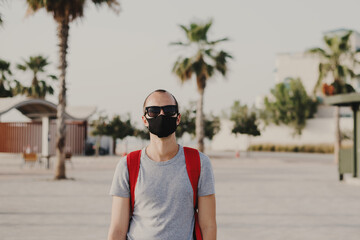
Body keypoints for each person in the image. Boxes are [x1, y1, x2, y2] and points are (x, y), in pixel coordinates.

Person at [107, 89, 216, 240]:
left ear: (178, 118)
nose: (162, 115)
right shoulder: (128, 165)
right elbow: (118, 229)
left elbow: (208, 226)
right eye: (153, 111)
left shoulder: (200, 163)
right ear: (144, 120)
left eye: (169, 110)